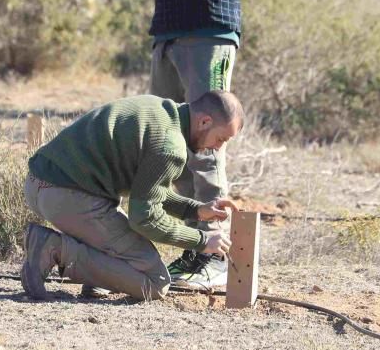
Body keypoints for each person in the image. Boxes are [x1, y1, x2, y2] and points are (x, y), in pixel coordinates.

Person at [118, 0, 244, 289]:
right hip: (166, 34)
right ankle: (193, 250)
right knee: (169, 143)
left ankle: (216, 254)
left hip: (209, 32)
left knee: (207, 145)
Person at [21, 91, 243, 302]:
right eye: (221, 139)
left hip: (38, 184)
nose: (217, 148)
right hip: (68, 196)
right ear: (204, 122)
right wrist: (202, 241)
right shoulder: (170, 146)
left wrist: (195, 210)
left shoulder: (158, 109)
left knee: (125, 250)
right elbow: (144, 218)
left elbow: (148, 190)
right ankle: (55, 249)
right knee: (155, 282)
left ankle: (97, 277)